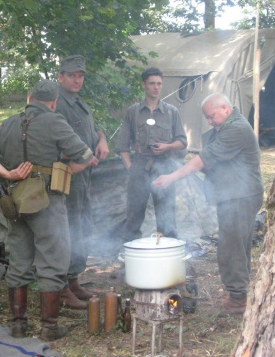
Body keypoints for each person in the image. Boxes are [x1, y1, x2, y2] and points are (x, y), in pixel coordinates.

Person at [0, 80, 99, 341]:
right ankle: (49, 327)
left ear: (29, 97)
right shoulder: (55, 121)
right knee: (53, 261)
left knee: (19, 260)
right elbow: (85, 156)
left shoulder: (8, 123)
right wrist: (64, 171)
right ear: (54, 101)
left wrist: (8, 173)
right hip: (47, 200)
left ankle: (18, 325)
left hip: (16, 200)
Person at [153, 93, 263, 315]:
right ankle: (237, 293)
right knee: (237, 246)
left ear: (225, 108)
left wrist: (171, 178)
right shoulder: (226, 127)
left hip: (240, 196)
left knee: (232, 248)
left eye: (212, 117)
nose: (211, 121)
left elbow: (204, 159)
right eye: (208, 118)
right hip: (235, 195)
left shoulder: (236, 129)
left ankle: (238, 300)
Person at [55, 55, 109, 309]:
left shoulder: (78, 102)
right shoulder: (56, 103)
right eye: (72, 75)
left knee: (81, 224)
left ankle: (74, 278)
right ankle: (61, 286)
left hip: (84, 175)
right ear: (60, 77)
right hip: (66, 175)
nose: (77, 80)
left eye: (81, 76)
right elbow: (50, 140)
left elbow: (95, 127)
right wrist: (82, 157)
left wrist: (102, 139)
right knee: (67, 228)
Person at [115, 67, 187, 243]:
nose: (156, 87)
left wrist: (167, 146)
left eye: (159, 84)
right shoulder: (133, 112)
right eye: (152, 83)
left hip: (165, 166)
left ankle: (168, 257)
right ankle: (130, 258)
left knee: (166, 215)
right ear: (144, 85)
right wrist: (131, 168)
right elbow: (122, 146)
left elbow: (182, 142)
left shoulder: (171, 112)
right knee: (134, 215)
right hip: (139, 166)